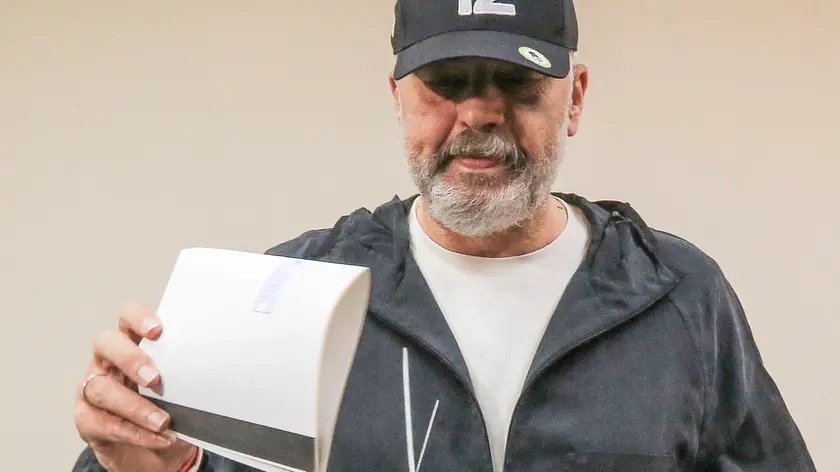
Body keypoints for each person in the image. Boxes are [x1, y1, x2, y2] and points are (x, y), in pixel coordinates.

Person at [72, 0, 817, 470]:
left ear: (575, 97)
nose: (478, 115)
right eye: (447, 82)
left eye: (515, 82)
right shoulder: (294, 291)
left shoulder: (678, 295)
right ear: (396, 98)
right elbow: (166, 460)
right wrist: (145, 463)